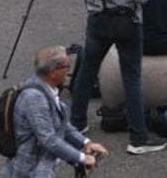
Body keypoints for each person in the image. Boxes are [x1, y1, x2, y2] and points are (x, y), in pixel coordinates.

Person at [67, 0, 167, 154]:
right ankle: (138, 138)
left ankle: (77, 124)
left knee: (87, 73)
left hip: (97, 20)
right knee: (131, 78)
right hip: (126, 23)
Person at [8, 48, 108, 177]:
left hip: (41, 166)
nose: (69, 71)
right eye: (67, 66)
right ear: (53, 72)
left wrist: (85, 142)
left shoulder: (46, 88)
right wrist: (82, 158)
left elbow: (61, 123)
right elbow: (48, 139)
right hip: (30, 170)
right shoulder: (34, 98)